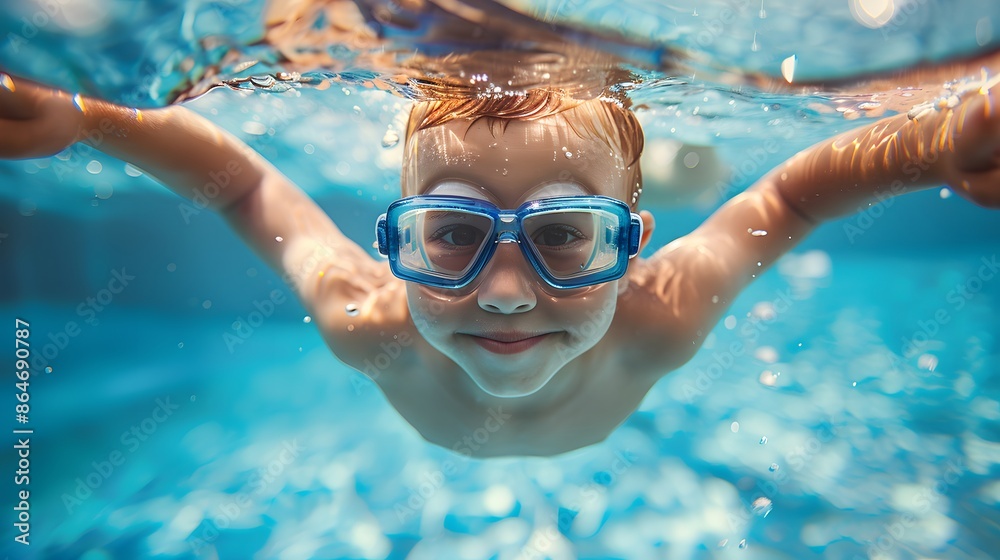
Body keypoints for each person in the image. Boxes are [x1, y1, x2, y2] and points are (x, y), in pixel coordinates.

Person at [1, 70, 997, 457]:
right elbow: (243, 184)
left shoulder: (660, 312)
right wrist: (87, 110)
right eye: (454, 232)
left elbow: (786, 193)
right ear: (397, 238)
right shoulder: (372, 323)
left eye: (565, 235)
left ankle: (685, 163)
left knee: (710, 170)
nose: (508, 290)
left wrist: (930, 145)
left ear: (630, 252)